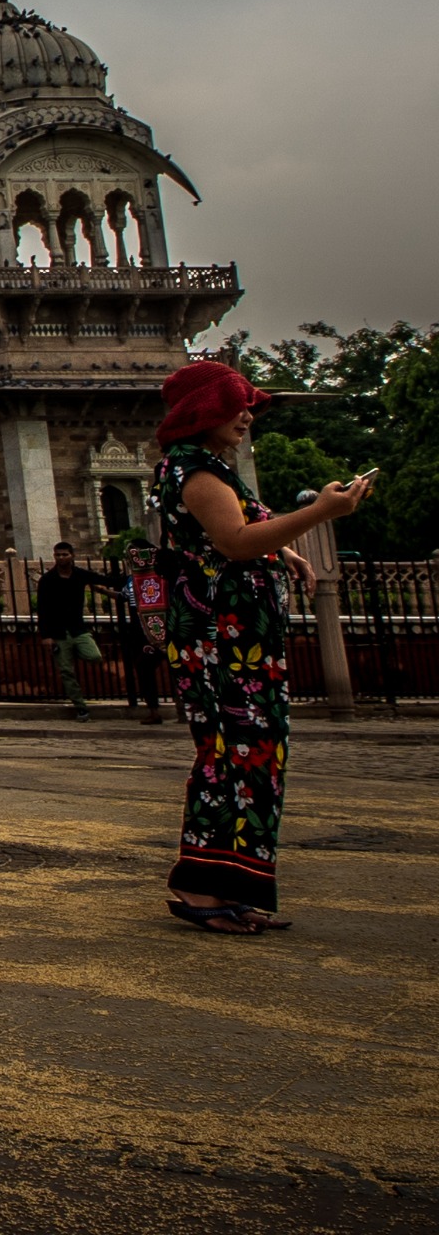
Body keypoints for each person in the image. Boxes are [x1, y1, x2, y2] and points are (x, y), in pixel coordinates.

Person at [147, 359, 371, 935]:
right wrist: (322, 512)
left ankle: (233, 885)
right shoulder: (195, 473)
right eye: (238, 405)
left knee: (254, 758)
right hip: (222, 642)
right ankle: (199, 885)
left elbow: (247, 529)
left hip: (241, 639)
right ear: (207, 412)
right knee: (230, 755)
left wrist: (286, 550)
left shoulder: (214, 469)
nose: (248, 415)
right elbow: (235, 540)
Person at [34, 541, 120, 721]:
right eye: (58, 555)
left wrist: (127, 579)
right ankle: (81, 707)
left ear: (72, 555)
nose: (61, 558)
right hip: (58, 632)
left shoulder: (80, 575)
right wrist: (46, 635)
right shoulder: (48, 580)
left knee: (94, 656)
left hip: (77, 628)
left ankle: (75, 651)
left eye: (64, 554)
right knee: (67, 671)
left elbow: (102, 580)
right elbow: (43, 609)